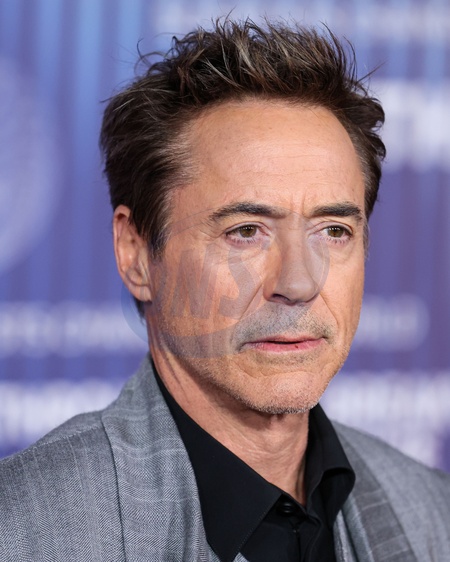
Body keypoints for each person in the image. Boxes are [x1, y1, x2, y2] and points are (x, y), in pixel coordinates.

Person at [0, 17, 449, 562]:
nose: (299, 283)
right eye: (246, 231)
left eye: (333, 231)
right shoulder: (24, 530)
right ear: (136, 254)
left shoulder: (432, 513)